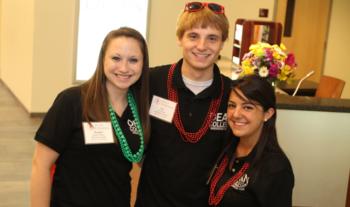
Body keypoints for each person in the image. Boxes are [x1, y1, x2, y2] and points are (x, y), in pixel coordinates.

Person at [30, 27, 150, 207]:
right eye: (116, 58)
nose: (124, 68)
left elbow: (137, 163)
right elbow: (41, 165)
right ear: (102, 60)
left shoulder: (140, 107)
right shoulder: (72, 101)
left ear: (143, 64)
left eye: (133, 60)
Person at [136, 2, 232, 207]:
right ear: (180, 38)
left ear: (222, 43)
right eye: (193, 36)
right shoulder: (151, 81)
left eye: (212, 38)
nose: (202, 46)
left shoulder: (232, 94)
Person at [208, 75, 294, 206]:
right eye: (232, 105)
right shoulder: (227, 146)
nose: (236, 114)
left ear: (267, 114)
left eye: (247, 107)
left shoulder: (275, 169)